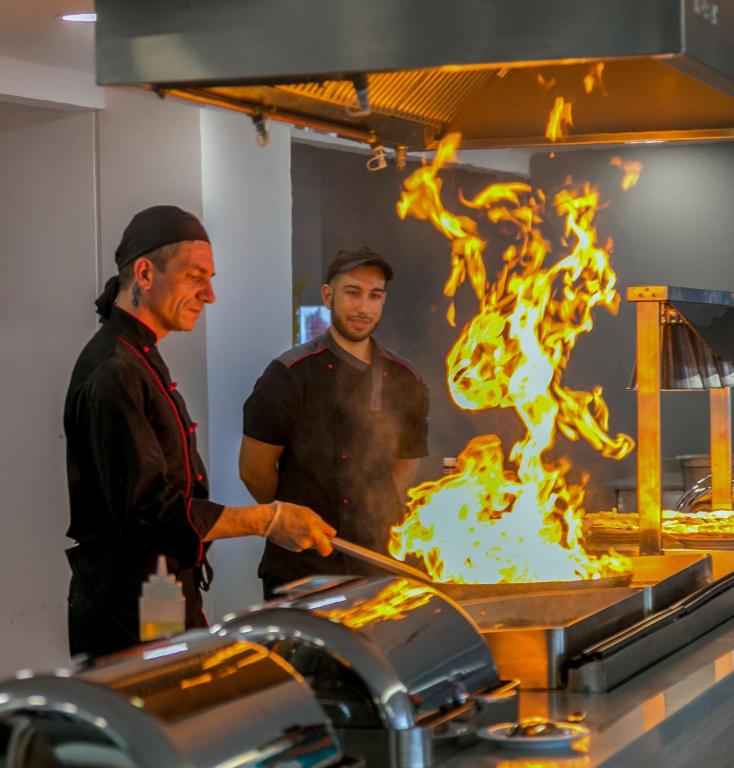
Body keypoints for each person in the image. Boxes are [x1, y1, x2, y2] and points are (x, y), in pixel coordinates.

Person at [64, 205, 335, 658]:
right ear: (145, 273)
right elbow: (152, 513)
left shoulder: (139, 355)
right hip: (126, 605)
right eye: (195, 277)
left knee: (185, 691)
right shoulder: (114, 370)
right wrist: (268, 519)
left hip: (159, 589)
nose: (209, 295)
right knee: (153, 701)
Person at [240, 246, 429, 598]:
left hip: (378, 565)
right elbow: (254, 470)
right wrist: (292, 519)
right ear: (328, 296)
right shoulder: (288, 375)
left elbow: (405, 464)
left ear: (384, 301)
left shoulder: (405, 379)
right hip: (302, 568)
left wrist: (372, 514)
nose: (363, 307)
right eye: (352, 292)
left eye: (374, 295)